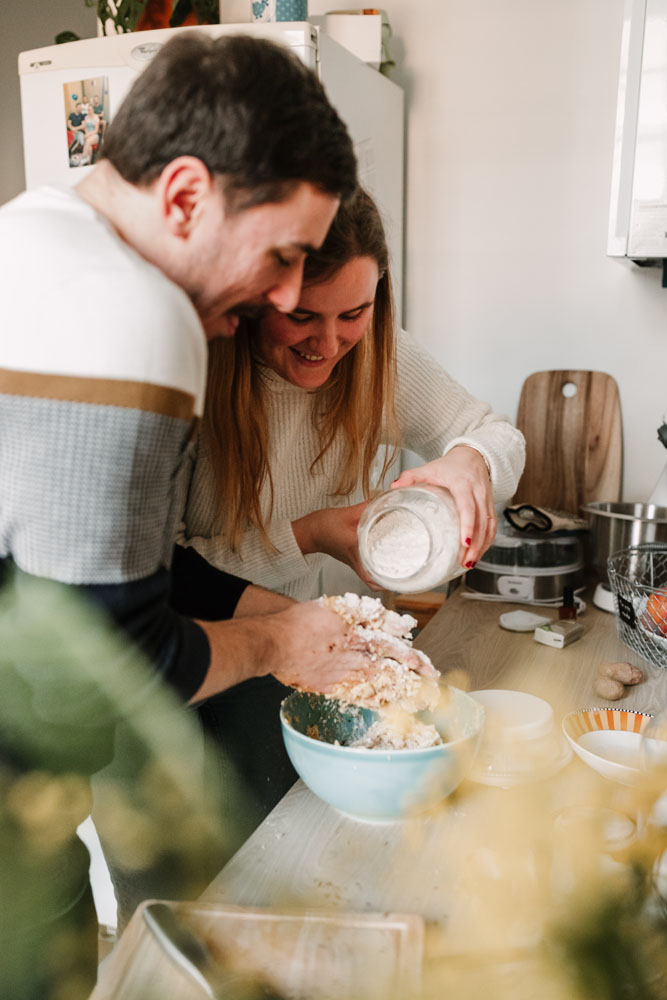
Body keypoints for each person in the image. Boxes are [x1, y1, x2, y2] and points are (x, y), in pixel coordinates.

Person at [0, 31, 394, 997]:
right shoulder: (132, 315)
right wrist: (280, 648)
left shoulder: (31, 231)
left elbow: (97, 567)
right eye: (284, 255)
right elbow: (107, 669)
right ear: (182, 196)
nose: (289, 298)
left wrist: (280, 610)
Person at [180, 187, 526, 603]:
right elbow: (165, 579)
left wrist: (472, 458)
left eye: (353, 313)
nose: (327, 347)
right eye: (301, 316)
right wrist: (309, 535)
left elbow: (498, 435)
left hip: (295, 640)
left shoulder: (374, 358)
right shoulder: (189, 373)